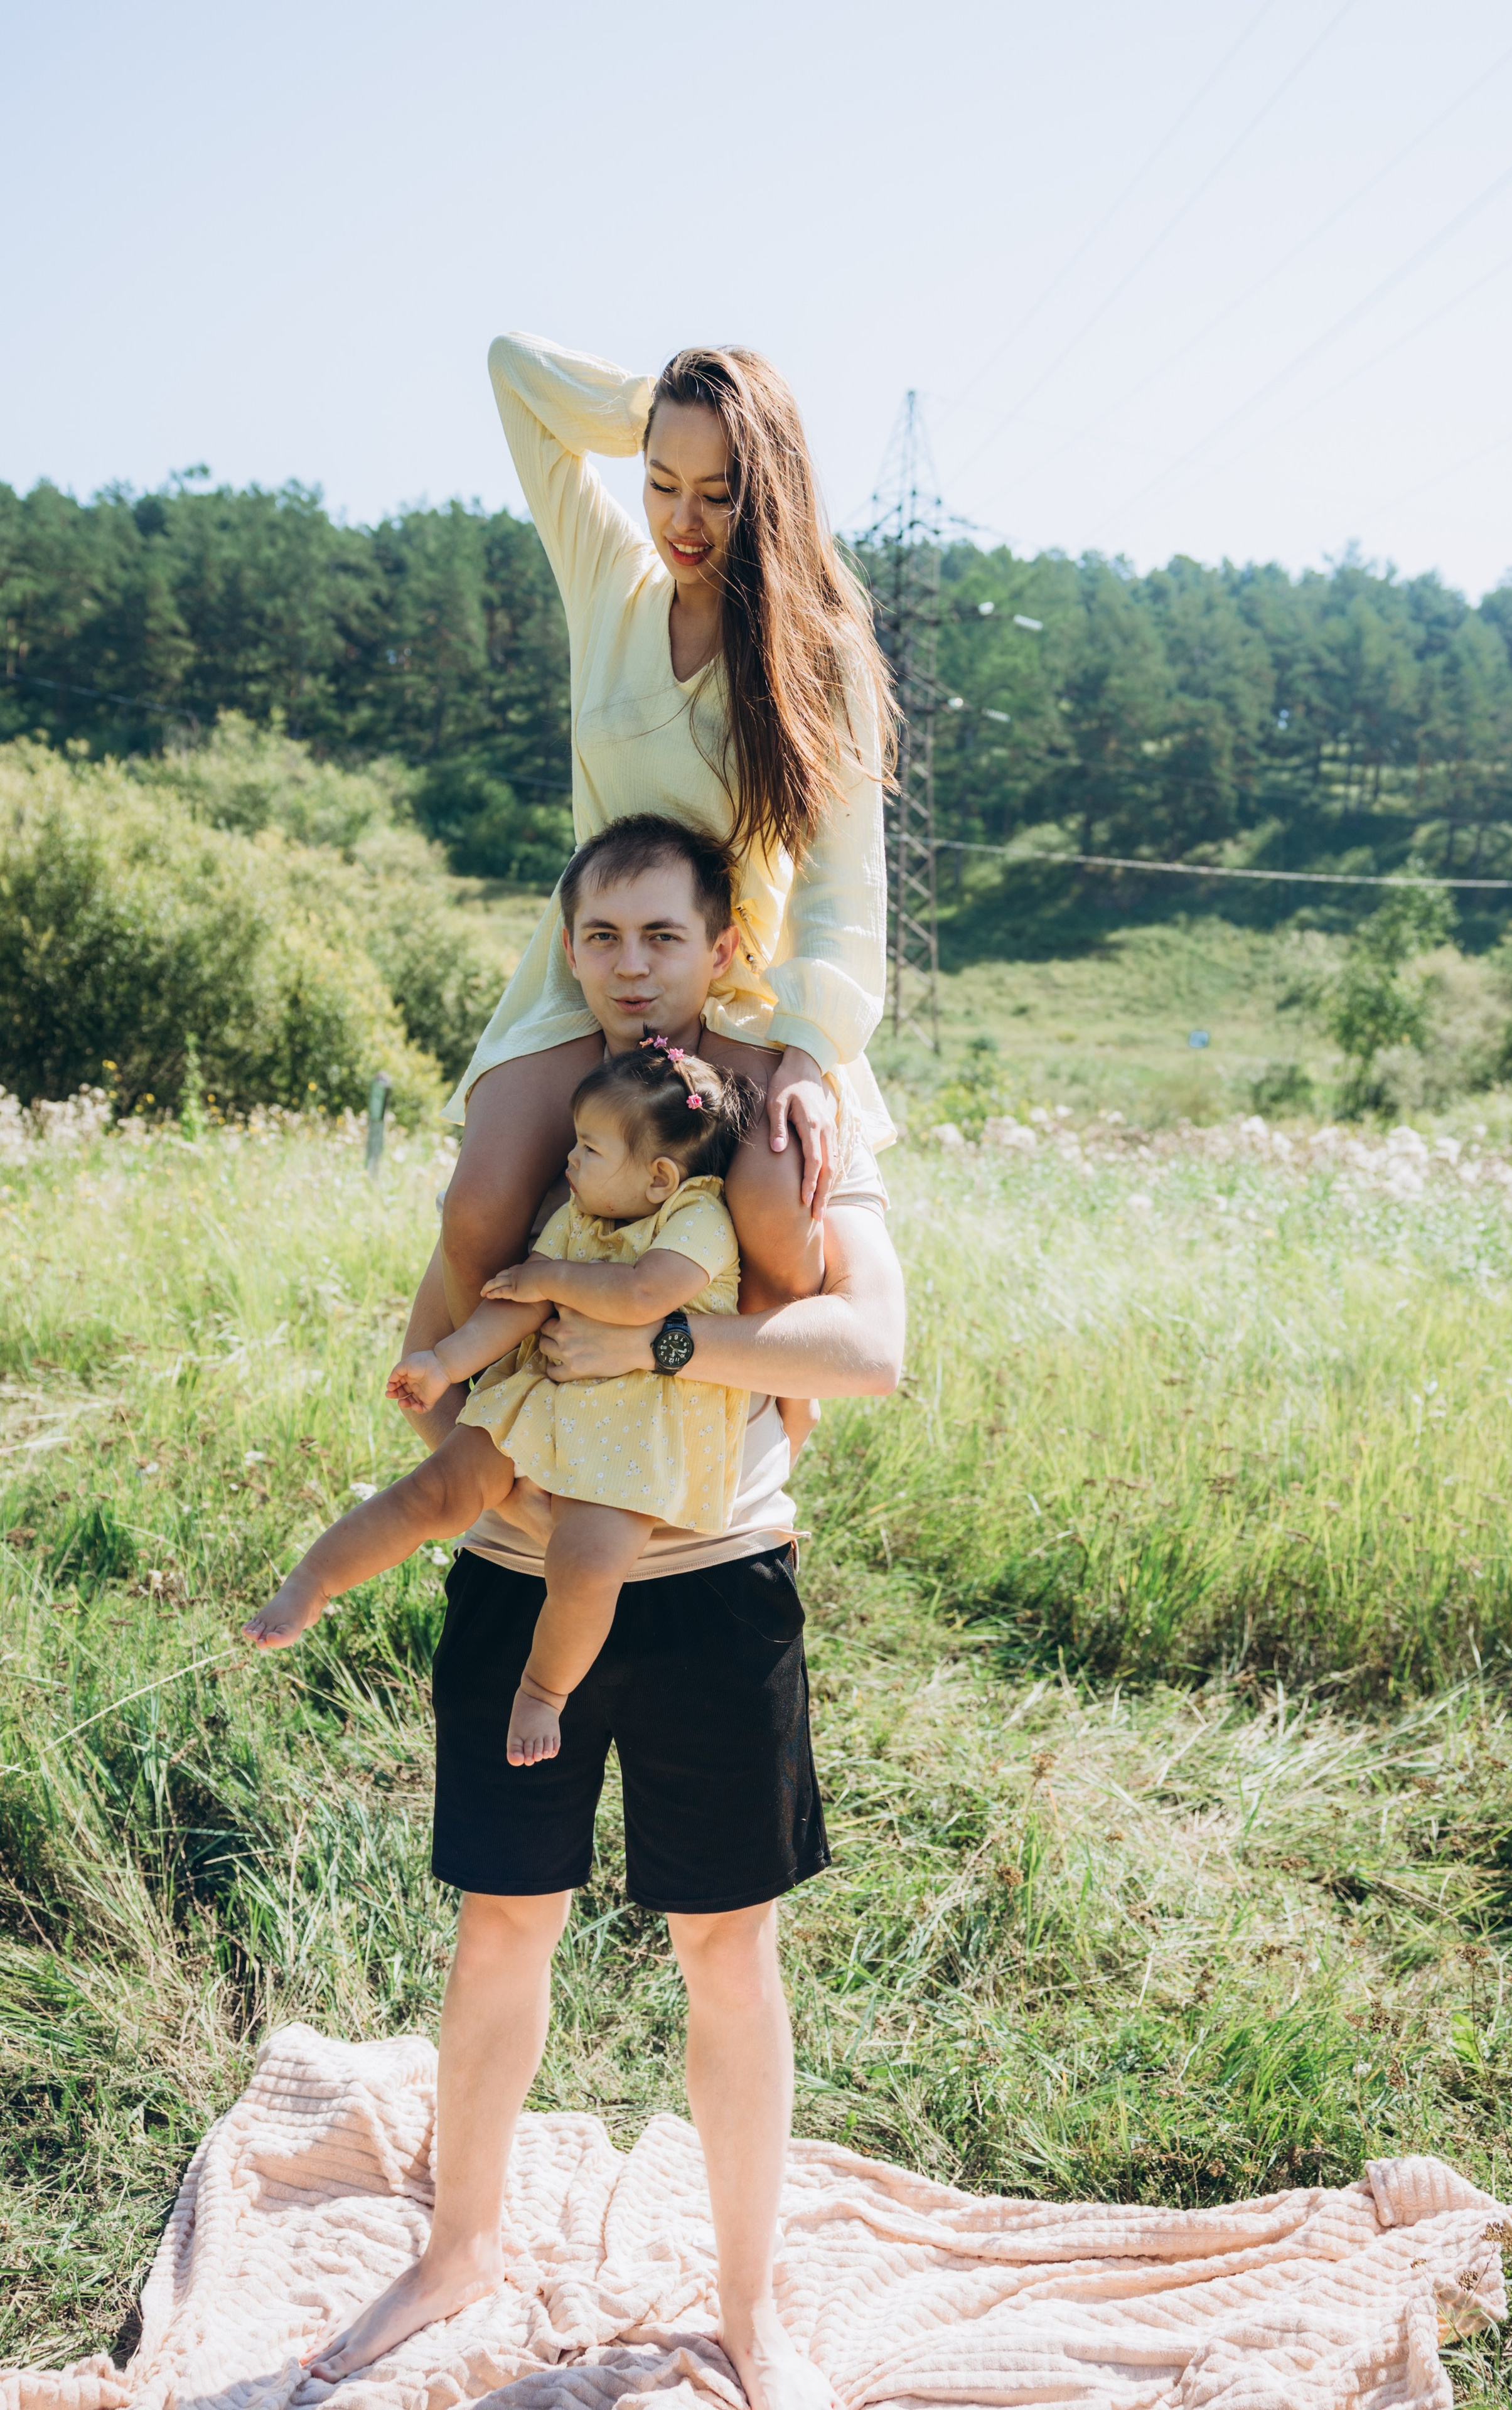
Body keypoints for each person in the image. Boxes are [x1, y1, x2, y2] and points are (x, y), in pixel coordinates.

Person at [299, 819, 906, 2410]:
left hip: (714, 1589)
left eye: (661, 935)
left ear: (724, 945)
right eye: (599, 937)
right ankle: (459, 2247)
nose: (630, 967)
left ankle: (751, 2308)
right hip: (519, 1585)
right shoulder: (548, 1115)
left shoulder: (784, 1105)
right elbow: (448, 1323)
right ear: (563, 948)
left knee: (728, 1950)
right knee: (501, 1924)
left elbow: (867, 1351)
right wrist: (479, 1451)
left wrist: (657, 1350)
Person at [426, 332, 896, 1430]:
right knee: (480, 1205)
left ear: (768, 493)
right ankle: (505, 1454)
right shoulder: (610, 582)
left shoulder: (817, 649)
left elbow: (844, 881)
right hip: (591, 969)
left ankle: (756, 1446)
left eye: (719, 493)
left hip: (735, 987)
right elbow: (513, 370)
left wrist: (807, 1054)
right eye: (661, 481)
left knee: (777, 1198)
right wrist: (659, 404)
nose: (683, 520)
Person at [243, 1042, 757, 1770]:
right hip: (542, 1401)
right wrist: (444, 1362)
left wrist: (552, 1278)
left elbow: (644, 1294)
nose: (569, 1160)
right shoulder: (576, 1218)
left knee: (586, 1566)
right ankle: (313, 1580)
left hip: (640, 1437)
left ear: (660, 1177)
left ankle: (543, 1691)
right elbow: (517, 1302)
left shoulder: (699, 1217)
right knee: (435, 1491)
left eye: (588, 1148)